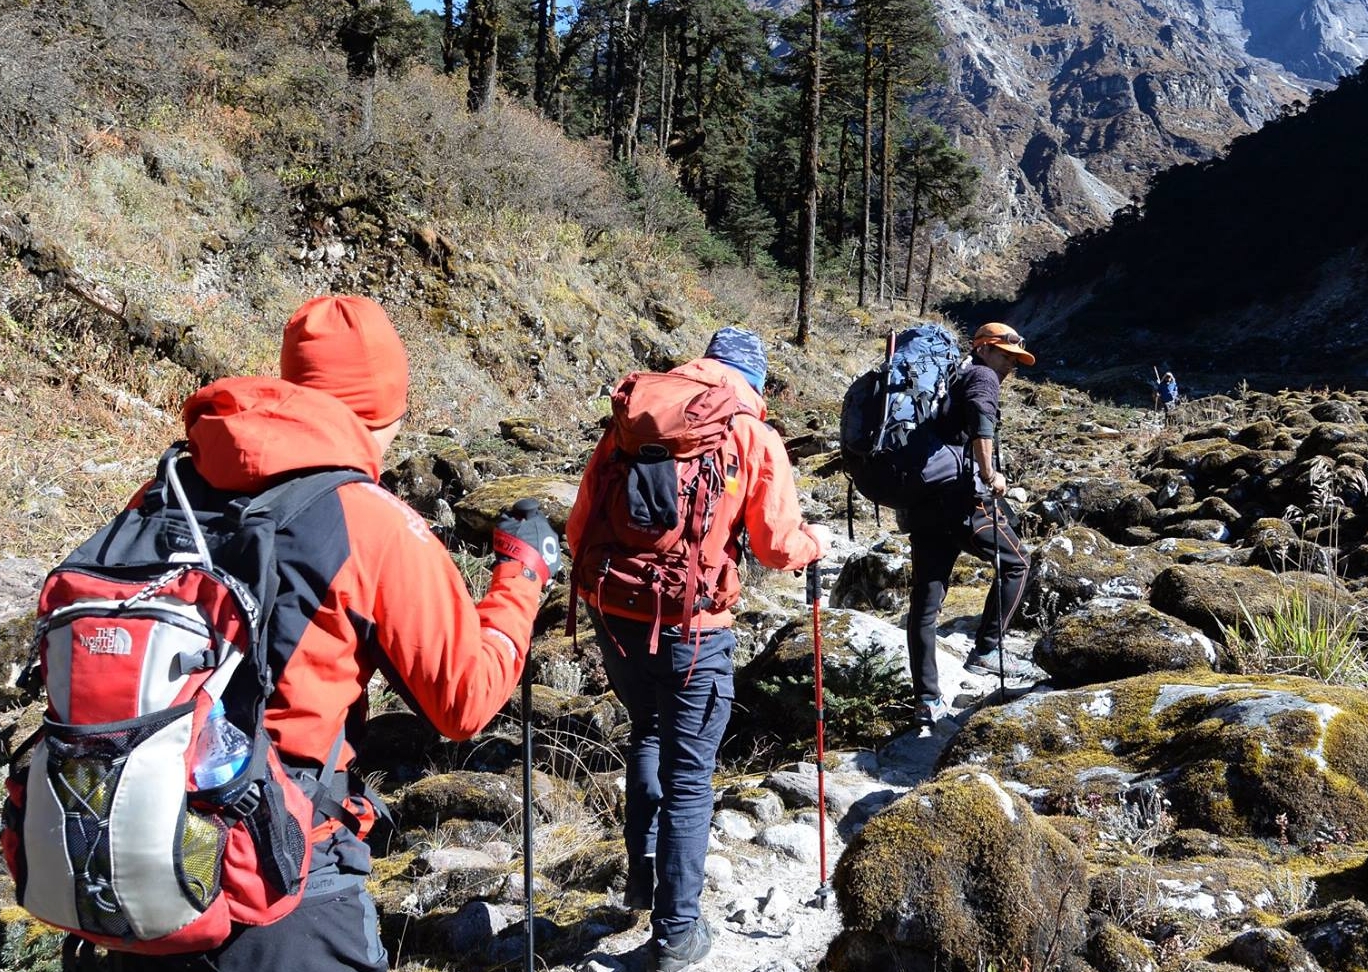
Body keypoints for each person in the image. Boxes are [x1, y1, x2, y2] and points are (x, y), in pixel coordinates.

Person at [109, 295, 558, 971]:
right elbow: (465, 700)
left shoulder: (165, 489)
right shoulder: (369, 521)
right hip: (279, 880)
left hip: (136, 859)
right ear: (382, 410)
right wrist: (521, 579)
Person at [565, 326, 830, 971]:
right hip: (692, 626)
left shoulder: (635, 418)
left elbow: (578, 525)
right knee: (690, 777)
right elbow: (773, 543)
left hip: (615, 610)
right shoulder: (751, 434)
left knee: (645, 733)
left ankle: (641, 881)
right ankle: (676, 932)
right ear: (754, 380)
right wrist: (813, 545)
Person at [904, 322, 1034, 733]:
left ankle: (926, 700)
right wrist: (990, 473)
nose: (1011, 367)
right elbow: (982, 424)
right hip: (963, 500)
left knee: (925, 606)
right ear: (985, 350)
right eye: (1007, 357)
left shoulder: (952, 376)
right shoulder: (982, 376)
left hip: (925, 502)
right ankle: (989, 648)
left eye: (1015, 361)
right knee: (1018, 562)